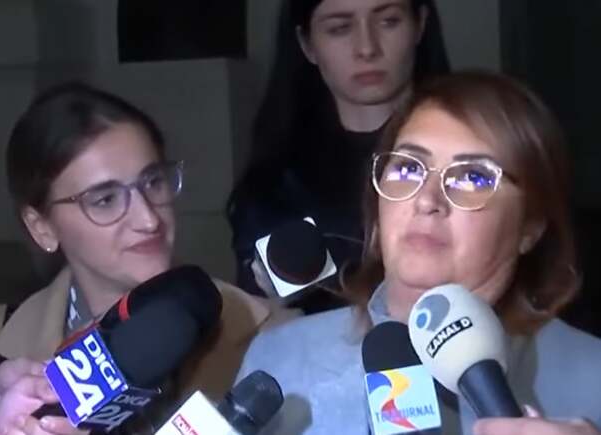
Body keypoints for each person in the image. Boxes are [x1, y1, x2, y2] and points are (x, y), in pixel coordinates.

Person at [235, 71, 601, 434]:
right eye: (408, 168)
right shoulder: (280, 361)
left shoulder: (591, 376)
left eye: (472, 177)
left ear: (530, 227)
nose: (427, 199)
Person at [0, 82, 284, 433]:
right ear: (42, 227)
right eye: (105, 199)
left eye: (153, 182)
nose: (148, 219)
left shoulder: (274, 334)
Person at [227, 0, 450, 313]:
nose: (367, 48)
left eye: (388, 21)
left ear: (420, 24)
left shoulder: (472, 153)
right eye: (340, 28)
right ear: (307, 44)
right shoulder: (272, 189)